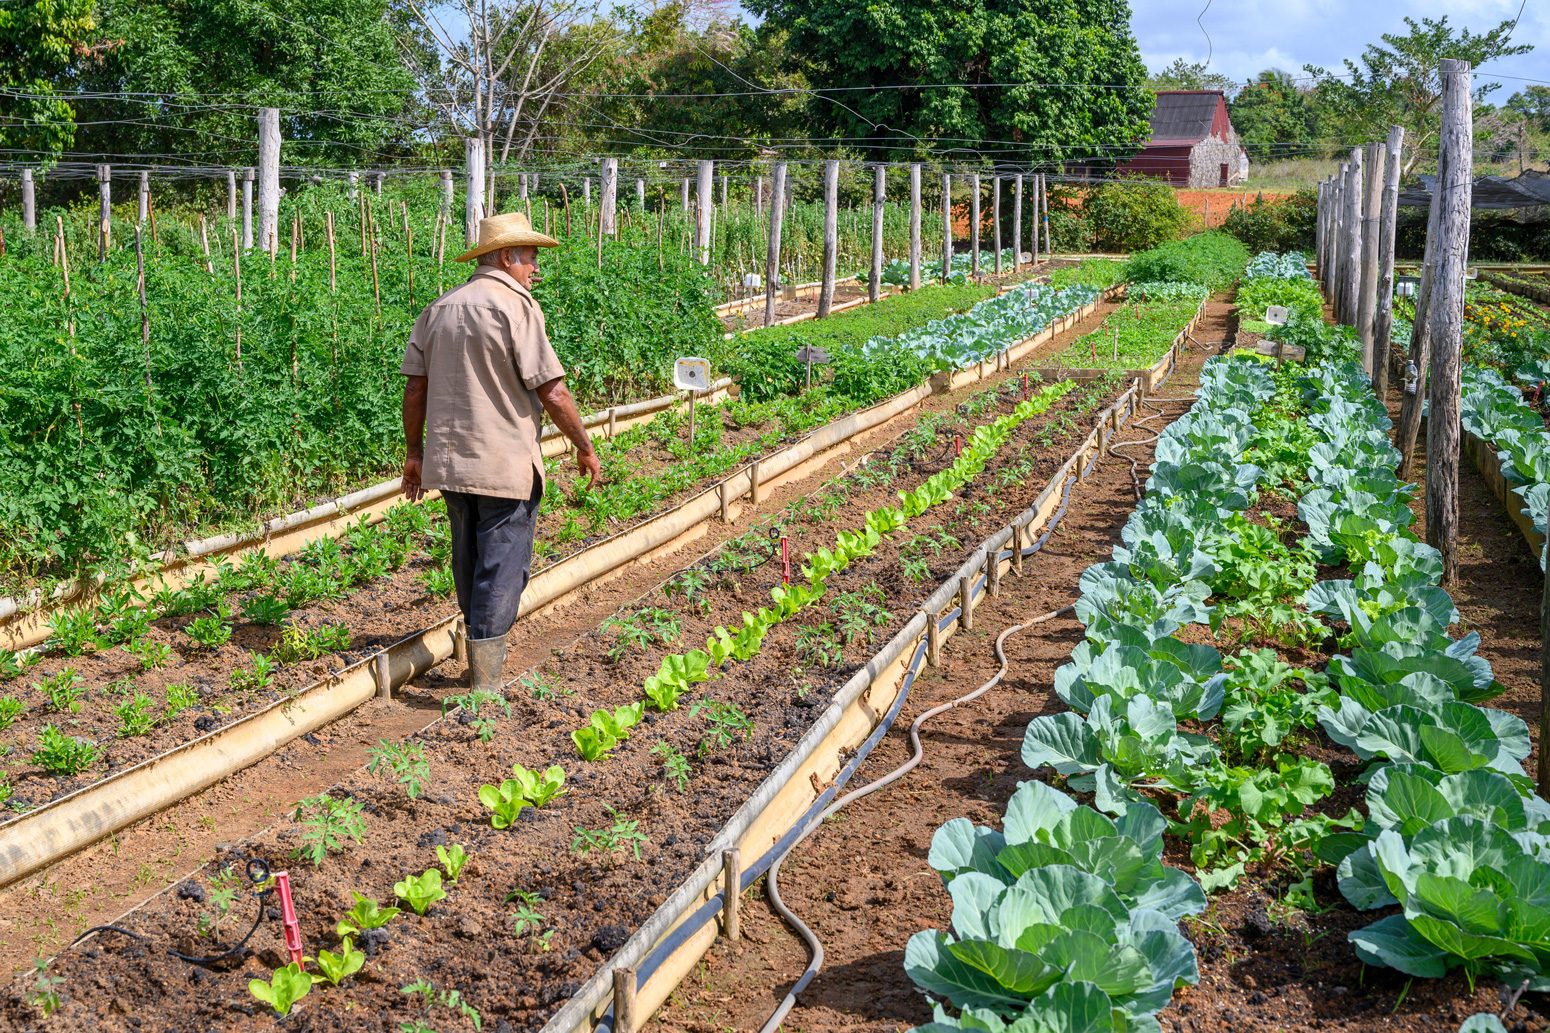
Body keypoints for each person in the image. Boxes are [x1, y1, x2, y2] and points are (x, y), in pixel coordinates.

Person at [400, 211, 601, 693]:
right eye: (531, 258)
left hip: (451, 464)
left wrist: (414, 452)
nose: (535, 269)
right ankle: (485, 686)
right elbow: (552, 391)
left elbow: (414, 390)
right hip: (505, 465)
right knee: (502, 568)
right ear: (508, 257)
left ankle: (478, 664)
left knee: (468, 561)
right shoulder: (517, 307)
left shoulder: (439, 309)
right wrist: (585, 445)